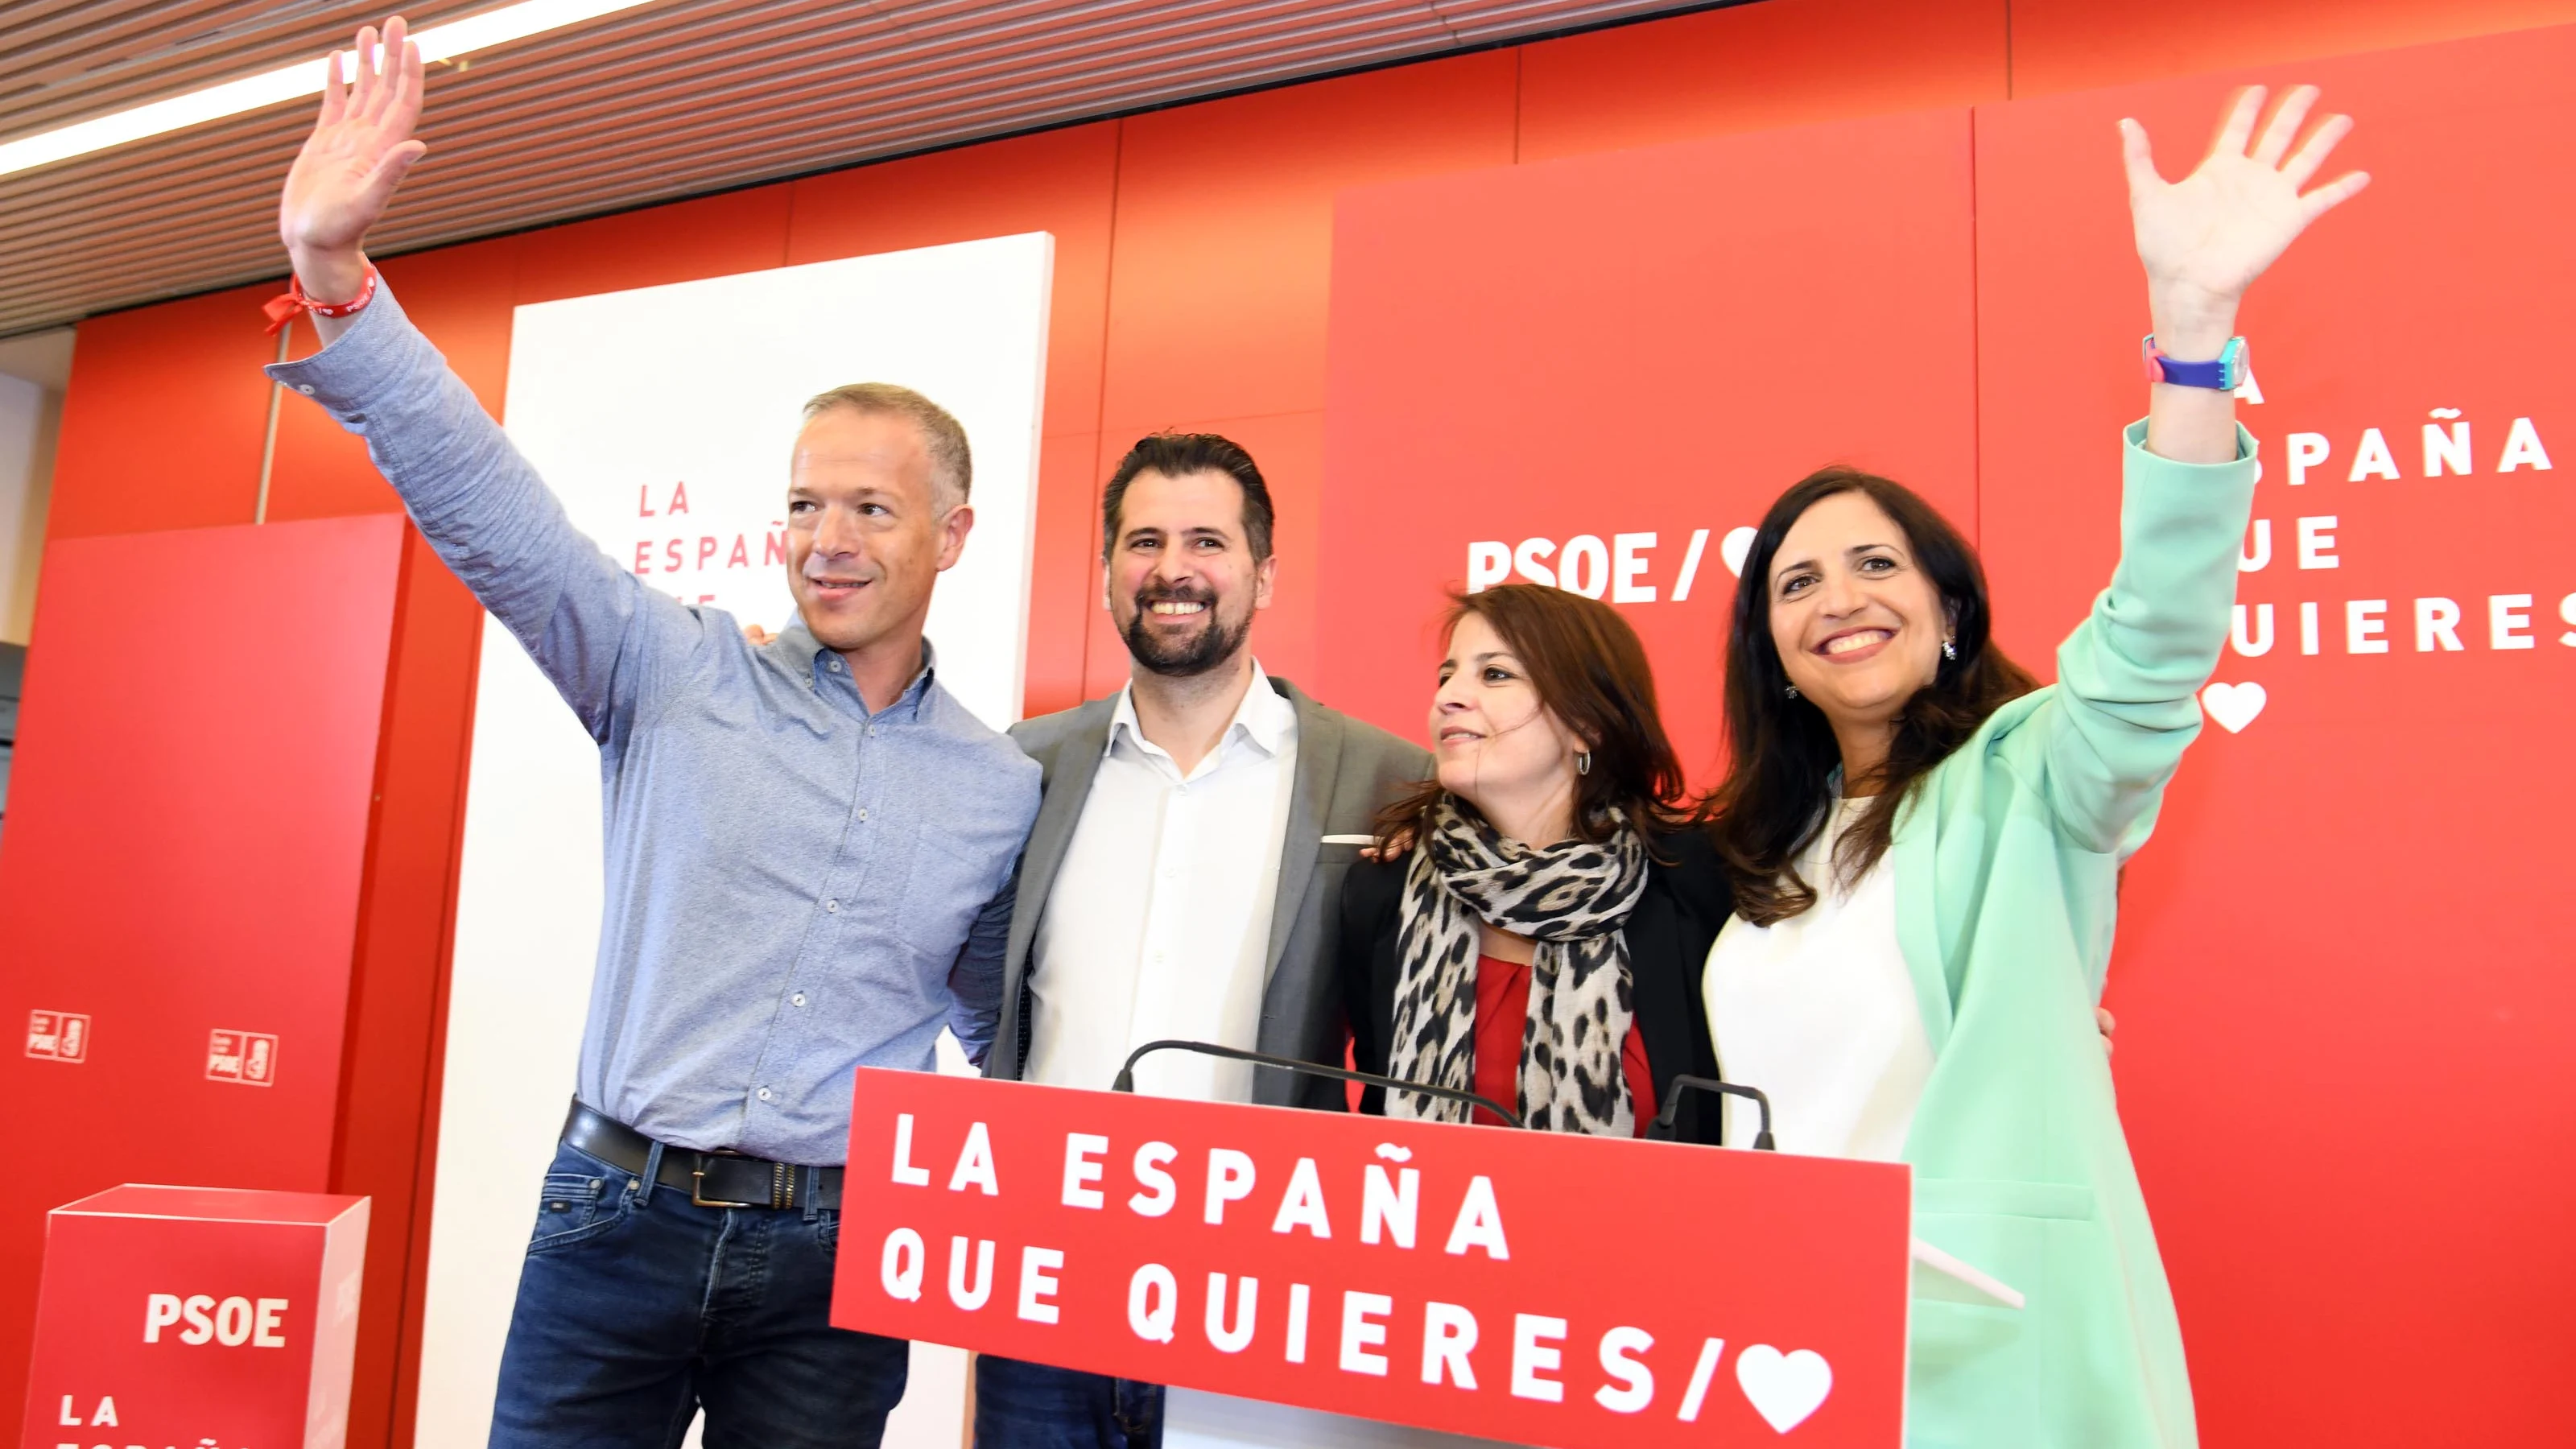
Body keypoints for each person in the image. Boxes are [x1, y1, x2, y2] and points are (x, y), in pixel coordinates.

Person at [268, 20, 1038, 1446]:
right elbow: (493, 511)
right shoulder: (672, 669)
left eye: (871, 508)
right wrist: (339, 280)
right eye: (806, 503)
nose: (827, 539)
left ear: (953, 533)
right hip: (611, 1225)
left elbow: (1013, 1033)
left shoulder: (1000, 787)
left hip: (832, 1270)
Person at [1695, 86, 2366, 1445]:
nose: (1840, 597)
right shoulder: (1757, 848)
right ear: (1770, 645)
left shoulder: (2031, 784)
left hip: (1989, 1355)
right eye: (1797, 582)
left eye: (1879, 564)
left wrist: (2193, 344)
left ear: (1950, 615)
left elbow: (2152, 648)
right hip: (1786, 1354)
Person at [966, 431, 1428, 1447]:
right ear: (1103, 576)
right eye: (1143, 542)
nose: (1172, 569)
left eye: (1206, 541)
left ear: (1263, 572)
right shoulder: (1019, 768)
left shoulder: (1384, 781)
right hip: (1042, 1289)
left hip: (1262, 1292)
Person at [1340, 584, 1730, 1144]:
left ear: (1586, 724)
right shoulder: (1384, 888)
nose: (1450, 696)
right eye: (1446, 676)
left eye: (1494, 674)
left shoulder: (1695, 879)